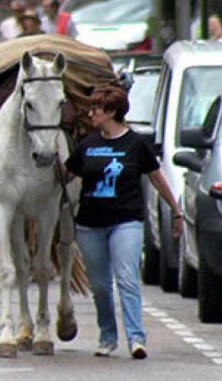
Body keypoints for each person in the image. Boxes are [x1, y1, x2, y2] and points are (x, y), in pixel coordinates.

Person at [63, 86, 183, 359]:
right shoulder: (87, 145)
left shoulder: (136, 144)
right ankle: (107, 336)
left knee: (127, 279)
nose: (91, 113)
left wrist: (176, 210)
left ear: (113, 112)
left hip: (126, 221)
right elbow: (64, 177)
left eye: (97, 109)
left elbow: (156, 178)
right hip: (90, 224)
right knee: (101, 286)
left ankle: (136, 338)